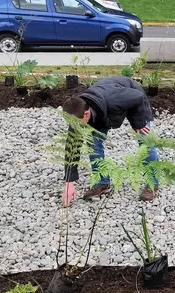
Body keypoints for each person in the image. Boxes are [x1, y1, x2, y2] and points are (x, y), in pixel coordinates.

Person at [60, 76, 158, 206]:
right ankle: (102, 182)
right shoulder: (76, 111)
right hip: (103, 112)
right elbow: (72, 148)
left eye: (76, 124)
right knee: (93, 144)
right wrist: (69, 183)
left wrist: (138, 123)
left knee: (145, 142)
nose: (75, 127)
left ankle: (153, 183)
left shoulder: (114, 99)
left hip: (130, 97)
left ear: (86, 114)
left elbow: (138, 96)